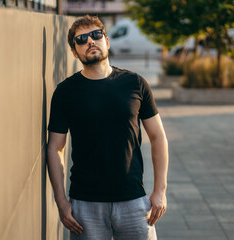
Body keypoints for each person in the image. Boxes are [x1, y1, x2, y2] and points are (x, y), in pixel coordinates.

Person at [47, 15, 168, 240]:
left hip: (134, 201)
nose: (90, 41)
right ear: (74, 52)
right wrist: (61, 202)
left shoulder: (135, 83)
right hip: (85, 207)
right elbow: (55, 148)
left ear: (107, 41)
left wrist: (160, 190)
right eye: (81, 39)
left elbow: (158, 137)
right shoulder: (65, 93)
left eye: (96, 35)